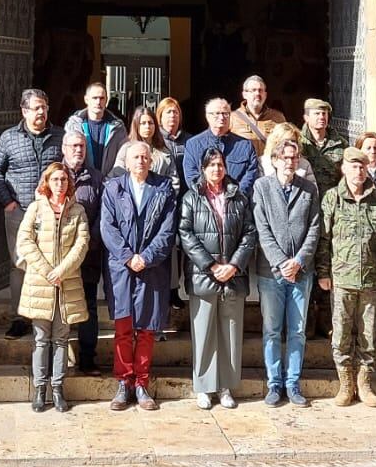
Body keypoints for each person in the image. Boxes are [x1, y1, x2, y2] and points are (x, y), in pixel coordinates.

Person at [101, 139, 177, 412]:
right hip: (121, 267)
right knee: (123, 327)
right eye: (135, 157)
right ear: (127, 161)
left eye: (145, 157)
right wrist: (127, 257)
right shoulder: (113, 188)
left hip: (151, 267)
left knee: (146, 328)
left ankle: (142, 383)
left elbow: (167, 230)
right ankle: (123, 382)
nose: (141, 162)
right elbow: (107, 227)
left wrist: (146, 257)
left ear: (152, 161)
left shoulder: (163, 189)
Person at [179, 146, 253, 409]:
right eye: (211, 165)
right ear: (203, 168)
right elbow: (186, 234)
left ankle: (225, 387)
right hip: (204, 275)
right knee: (204, 332)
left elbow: (249, 233)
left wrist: (233, 265)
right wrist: (210, 265)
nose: (216, 169)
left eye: (220, 164)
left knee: (230, 333)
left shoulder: (238, 197)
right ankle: (204, 386)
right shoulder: (192, 198)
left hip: (233, 275)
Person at [252, 136, 321, 407]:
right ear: (275, 160)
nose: (290, 162)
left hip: (301, 273)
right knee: (271, 330)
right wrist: (282, 262)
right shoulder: (262, 187)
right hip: (271, 272)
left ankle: (292, 382)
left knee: (298, 331)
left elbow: (315, 228)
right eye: (285, 157)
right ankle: (274, 383)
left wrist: (299, 261)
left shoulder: (308, 189)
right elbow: (262, 228)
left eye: (294, 157)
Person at [0, 89, 63, 339]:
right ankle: (19, 317)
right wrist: (7, 202)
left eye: (44, 107)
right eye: (36, 108)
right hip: (19, 211)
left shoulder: (59, 136)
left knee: (51, 263)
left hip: (51, 214)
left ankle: (46, 315)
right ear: (24, 111)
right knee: (20, 263)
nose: (41, 112)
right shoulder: (9, 138)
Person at [17, 161, 90, 413]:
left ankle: (58, 388)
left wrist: (62, 271)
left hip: (66, 283)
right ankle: (39, 389)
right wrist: (48, 271)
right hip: (40, 282)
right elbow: (25, 241)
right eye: (55, 179)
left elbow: (81, 245)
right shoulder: (36, 209)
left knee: (61, 338)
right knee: (40, 339)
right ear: (46, 182)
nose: (60, 184)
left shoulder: (77, 211)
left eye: (64, 179)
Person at [319, 150, 376, 408]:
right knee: (341, 334)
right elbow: (324, 240)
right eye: (353, 166)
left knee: (368, 334)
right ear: (344, 169)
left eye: (362, 167)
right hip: (342, 278)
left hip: (371, 278)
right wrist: (324, 273)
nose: (358, 172)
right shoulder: (332, 198)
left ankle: (364, 383)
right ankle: (345, 383)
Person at [60, 130, 106, 376]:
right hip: (60, 259)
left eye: (82, 147)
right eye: (74, 146)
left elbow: (103, 216)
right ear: (64, 148)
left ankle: (88, 357)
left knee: (88, 306)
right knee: (61, 307)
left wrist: (90, 242)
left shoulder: (96, 178)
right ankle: (59, 359)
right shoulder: (54, 176)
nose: (78, 150)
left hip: (88, 255)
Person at [182, 98, 261, 192]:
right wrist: (211, 196)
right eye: (217, 113)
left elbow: (252, 173)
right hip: (205, 203)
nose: (221, 117)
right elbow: (191, 176)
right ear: (208, 116)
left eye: (225, 113)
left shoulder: (245, 145)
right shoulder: (193, 144)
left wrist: (235, 195)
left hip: (238, 202)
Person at [104, 104, 174, 186]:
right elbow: (116, 174)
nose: (147, 126)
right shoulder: (126, 149)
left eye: (150, 123)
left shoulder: (165, 151)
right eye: (143, 123)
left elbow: (173, 180)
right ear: (136, 125)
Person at [64, 82, 126, 171]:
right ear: (86, 99)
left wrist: (112, 180)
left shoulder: (118, 127)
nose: (98, 102)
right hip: (83, 180)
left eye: (101, 98)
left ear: (106, 100)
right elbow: (69, 155)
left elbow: (122, 157)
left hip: (111, 181)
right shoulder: (73, 125)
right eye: (94, 98)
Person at [231, 74, 287, 157]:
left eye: (260, 90)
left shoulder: (278, 117)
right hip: (244, 168)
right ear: (244, 94)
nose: (257, 93)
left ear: (265, 95)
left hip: (269, 168)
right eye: (253, 90)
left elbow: (287, 144)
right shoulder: (232, 118)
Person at [299, 99, 347, 194]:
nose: (321, 117)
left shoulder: (340, 143)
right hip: (307, 197)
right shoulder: (298, 143)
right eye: (317, 114)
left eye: (324, 114)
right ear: (306, 118)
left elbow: (347, 172)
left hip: (333, 199)